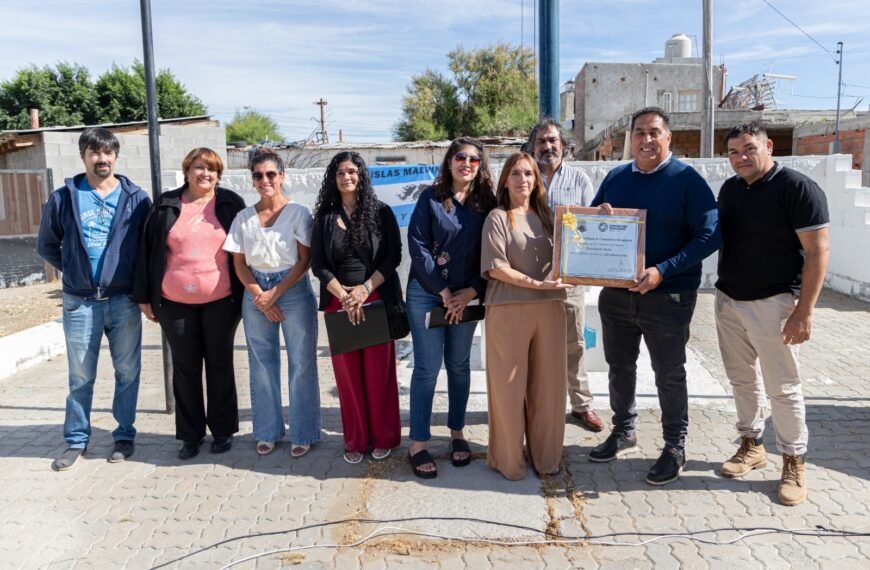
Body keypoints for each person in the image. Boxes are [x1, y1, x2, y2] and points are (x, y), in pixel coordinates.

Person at [588, 107, 720, 486]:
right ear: (631, 138)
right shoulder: (615, 178)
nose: (646, 140)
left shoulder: (687, 180)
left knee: (669, 373)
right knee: (619, 366)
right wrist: (600, 217)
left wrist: (663, 270)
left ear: (668, 138)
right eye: (639, 132)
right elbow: (589, 223)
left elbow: (710, 235)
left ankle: (674, 445)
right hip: (617, 295)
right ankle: (624, 430)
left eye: (654, 132)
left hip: (668, 296)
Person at [716, 122, 830, 506]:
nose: (740, 158)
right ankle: (751, 445)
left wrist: (804, 311)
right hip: (729, 299)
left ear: (769, 146)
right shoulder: (730, 189)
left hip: (776, 304)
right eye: (733, 152)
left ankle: (794, 461)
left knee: (783, 387)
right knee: (741, 380)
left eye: (748, 149)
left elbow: (818, 251)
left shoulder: (797, 188)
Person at [37, 127, 151, 471]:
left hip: (123, 300)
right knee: (81, 375)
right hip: (80, 301)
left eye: (107, 153)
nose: (102, 159)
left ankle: (124, 435)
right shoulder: (63, 198)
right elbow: (46, 245)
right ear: (84, 156)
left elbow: (147, 249)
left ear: (115, 155)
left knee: (128, 371)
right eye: (94, 153)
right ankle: (75, 440)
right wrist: (74, 272)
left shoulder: (136, 198)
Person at [133, 147, 245, 460]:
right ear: (187, 170)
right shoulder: (167, 203)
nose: (205, 174)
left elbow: (246, 248)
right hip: (174, 302)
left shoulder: (230, 204)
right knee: (185, 368)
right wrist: (143, 295)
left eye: (211, 169)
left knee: (220, 364)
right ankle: (190, 435)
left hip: (221, 300)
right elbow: (148, 249)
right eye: (199, 167)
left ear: (218, 174)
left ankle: (223, 431)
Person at [405, 137, 497, 479]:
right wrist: (444, 292)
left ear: (480, 165)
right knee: (427, 369)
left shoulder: (488, 203)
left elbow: (493, 253)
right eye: (461, 157)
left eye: (474, 159)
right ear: (449, 161)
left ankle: (457, 433)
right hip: (428, 293)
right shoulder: (430, 198)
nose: (467, 163)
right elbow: (417, 247)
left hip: (468, 295)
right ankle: (417, 442)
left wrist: (470, 291)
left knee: (459, 366)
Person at [480, 151, 572, 481]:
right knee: (508, 389)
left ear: (537, 180)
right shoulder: (497, 217)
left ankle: (547, 459)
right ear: (505, 179)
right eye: (516, 173)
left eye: (530, 174)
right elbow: (496, 267)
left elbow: (578, 246)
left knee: (548, 388)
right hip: (508, 309)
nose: (523, 180)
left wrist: (602, 218)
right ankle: (508, 461)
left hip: (550, 309)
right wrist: (537, 283)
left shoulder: (550, 217)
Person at [223, 149, 320, 458]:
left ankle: (303, 432)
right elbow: (238, 263)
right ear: (252, 180)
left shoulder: (298, 213)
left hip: (291, 290)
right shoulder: (243, 218)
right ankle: (267, 430)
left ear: (282, 177)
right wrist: (259, 296)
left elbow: (305, 260)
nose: (265, 180)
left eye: (270, 174)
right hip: (255, 291)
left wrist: (274, 294)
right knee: (262, 364)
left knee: (301, 363)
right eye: (258, 175)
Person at [310, 151, 404, 464]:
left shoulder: (382, 213)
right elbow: (319, 265)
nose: (346, 177)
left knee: (379, 374)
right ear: (333, 179)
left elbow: (393, 257)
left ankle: (383, 437)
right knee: (348, 377)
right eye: (340, 173)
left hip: (374, 298)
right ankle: (355, 440)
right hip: (339, 302)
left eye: (352, 171)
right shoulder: (324, 218)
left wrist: (363, 290)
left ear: (361, 175)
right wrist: (343, 294)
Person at [527, 118, 603, 432]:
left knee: (574, 342)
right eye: (542, 141)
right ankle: (532, 406)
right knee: (532, 345)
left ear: (563, 145)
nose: (548, 146)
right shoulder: (523, 177)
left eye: (553, 141)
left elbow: (591, 228)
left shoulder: (580, 180)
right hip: (528, 278)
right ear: (533, 148)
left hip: (569, 279)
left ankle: (581, 406)